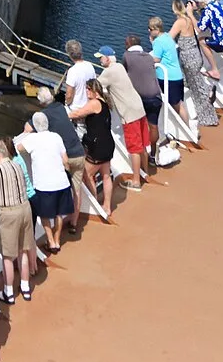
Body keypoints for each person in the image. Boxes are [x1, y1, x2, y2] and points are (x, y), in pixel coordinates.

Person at [0, 138, 35, 302]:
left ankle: (8, 292)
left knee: (8, 255)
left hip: (8, 214)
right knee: (23, 250)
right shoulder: (17, 164)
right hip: (25, 208)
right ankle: (25, 287)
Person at [15, 112, 72, 253]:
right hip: (61, 181)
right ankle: (57, 240)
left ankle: (51, 241)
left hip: (44, 184)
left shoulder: (32, 139)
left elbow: (19, 147)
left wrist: (27, 133)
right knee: (59, 213)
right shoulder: (56, 137)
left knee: (45, 214)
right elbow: (65, 160)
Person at [96, 45, 152, 189]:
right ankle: (145, 173)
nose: (100, 60)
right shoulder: (120, 66)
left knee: (133, 148)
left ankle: (135, 181)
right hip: (139, 108)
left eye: (101, 58)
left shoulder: (107, 72)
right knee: (143, 145)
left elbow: (95, 85)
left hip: (128, 113)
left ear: (107, 58)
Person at [33, 86, 86, 233]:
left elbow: (28, 128)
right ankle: (74, 222)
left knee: (58, 192)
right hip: (79, 153)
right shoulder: (61, 107)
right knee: (76, 190)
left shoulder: (44, 115)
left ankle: (55, 232)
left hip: (66, 158)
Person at [169, 0, 219, 127]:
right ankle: (208, 89)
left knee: (197, 89)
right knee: (193, 83)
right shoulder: (189, 19)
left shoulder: (179, 22)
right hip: (195, 54)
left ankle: (209, 118)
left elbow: (169, 37)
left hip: (188, 58)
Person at [70, 77, 115, 217]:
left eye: (88, 89)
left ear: (94, 90)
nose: (86, 92)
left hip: (97, 147)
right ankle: (107, 206)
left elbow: (78, 113)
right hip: (107, 143)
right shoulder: (105, 103)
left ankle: (94, 203)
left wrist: (63, 116)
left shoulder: (94, 103)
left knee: (87, 174)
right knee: (106, 176)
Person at [123, 34, 166, 160]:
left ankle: (142, 155)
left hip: (140, 97)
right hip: (155, 95)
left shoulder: (127, 56)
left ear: (129, 45)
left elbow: (124, 72)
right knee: (153, 125)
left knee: (138, 125)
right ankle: (153, 153)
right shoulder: (148, 56)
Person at [148, 16, 187, 124]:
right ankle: (187, 128)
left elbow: (156, 59)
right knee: (179, 104)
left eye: (150, 29)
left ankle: (188, 130)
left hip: (168, 78)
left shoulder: (158, 42)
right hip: (177, 75)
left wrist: (145, 57)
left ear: (156, 29)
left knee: (176, 106)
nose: (149, 31)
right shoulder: (167, 37)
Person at [63, 39, 94, 110]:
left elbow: (69, 96)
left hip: (75, 108)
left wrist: (67, 103)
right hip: (88, 106)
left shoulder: (72, 71)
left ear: (69, 55)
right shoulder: (90, 65)